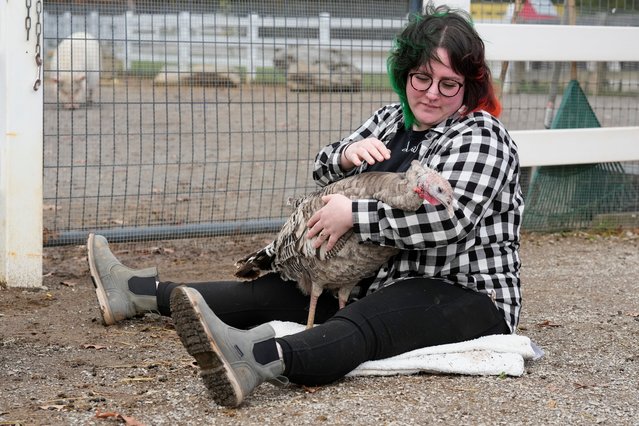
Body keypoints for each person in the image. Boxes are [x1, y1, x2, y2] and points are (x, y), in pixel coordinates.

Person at [87, 5, 523, 408]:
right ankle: (136, 293)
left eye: (449, 84)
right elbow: (322, 171)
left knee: (364, 323)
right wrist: (345, 155)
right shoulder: (390, 119)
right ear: (404, 74)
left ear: (469, 86)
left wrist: (355, 217)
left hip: (460, 290)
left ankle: (254, 359)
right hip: (373, 276)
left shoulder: (479, 135)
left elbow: (448, 221)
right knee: (263, 294)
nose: (431, 94)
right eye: (421, 79)